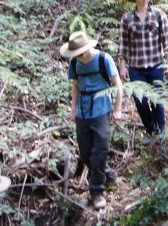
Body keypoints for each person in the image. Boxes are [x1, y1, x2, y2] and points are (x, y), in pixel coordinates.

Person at [62, 30, 123, 210]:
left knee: (100, 150)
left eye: (79, 54)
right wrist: (73, 109)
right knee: (86, 153)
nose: (78, 57)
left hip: (101, 109)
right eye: (75, 55)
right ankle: (107, 174)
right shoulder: (75, 63)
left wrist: (118, 109)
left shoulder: (104, 59)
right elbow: (75, 86)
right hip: (83, 111)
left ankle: (96, 192)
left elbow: (117, 84)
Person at [118, 0, 168, 137]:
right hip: (136, 68)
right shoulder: (127, 18)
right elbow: (123, 44)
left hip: (156, 66)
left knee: (158, 102)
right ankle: (151, 132)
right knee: (141, 103)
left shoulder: (158, 15)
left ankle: (160, 136)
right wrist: (122, 66)